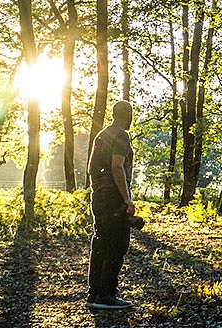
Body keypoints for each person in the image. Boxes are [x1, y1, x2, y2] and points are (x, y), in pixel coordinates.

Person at [86, 100, 136, 310]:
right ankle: (106, 295)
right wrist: (126, 199)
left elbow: (90, 168)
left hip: (98, 195)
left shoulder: (102, 135)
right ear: (128, 116)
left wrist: (98, 190)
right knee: (117, 244)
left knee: (100, 243)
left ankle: (94, 293)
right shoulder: (121, 135)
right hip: (113, 196)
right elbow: (117, 167)